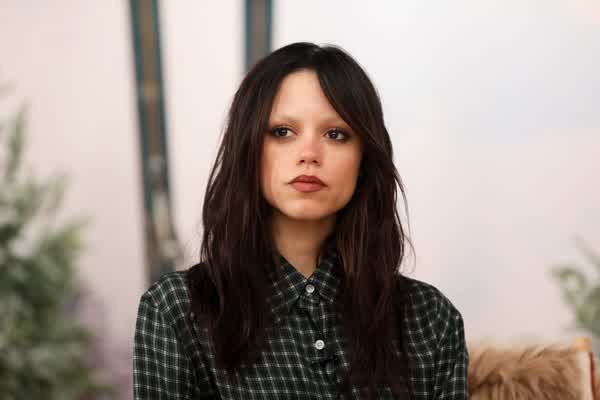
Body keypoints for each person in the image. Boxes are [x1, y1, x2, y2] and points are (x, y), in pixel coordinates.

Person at [133, 42, 469, 400]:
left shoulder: (430, 319)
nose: (309, 154)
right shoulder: (176, 311)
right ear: (248, 147)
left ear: (364, 159)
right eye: (282, 132)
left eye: (336, 134)